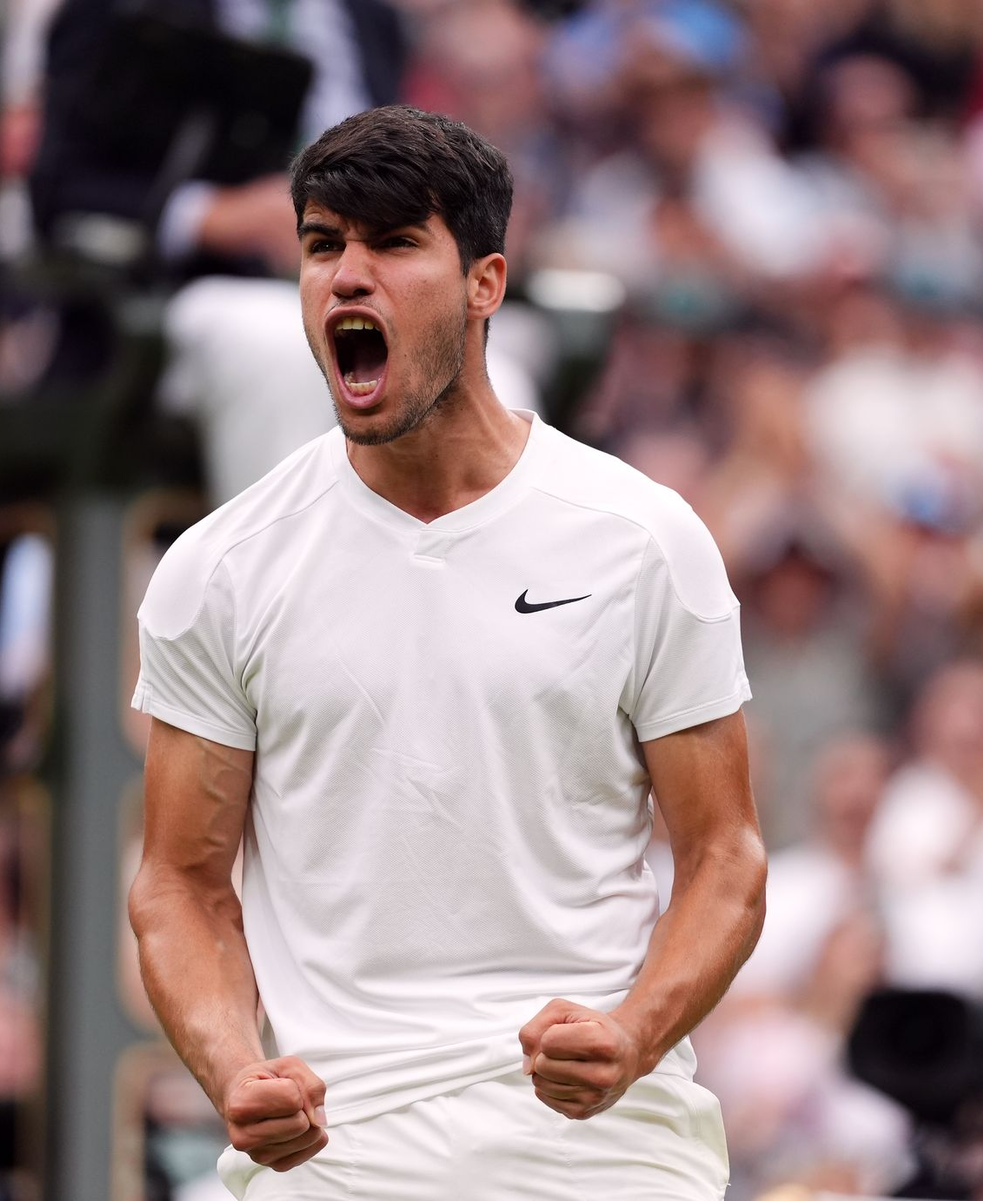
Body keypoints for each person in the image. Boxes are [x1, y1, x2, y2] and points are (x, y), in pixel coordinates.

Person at [128, 105, 766, 1200]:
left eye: (393, 243)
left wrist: (631, 1033)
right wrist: (237, 1071)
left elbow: (727, 860)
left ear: (486, 284)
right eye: (324, 245)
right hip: (335, 1151)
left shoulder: (643, 538)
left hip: (602, 1149)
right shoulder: (217, 569)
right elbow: (180, 884)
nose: (347, 277)